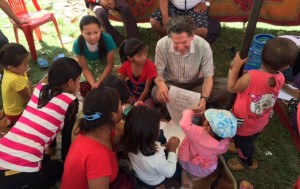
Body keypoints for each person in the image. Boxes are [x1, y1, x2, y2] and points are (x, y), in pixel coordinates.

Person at [0, 57, 82, 189]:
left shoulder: (39, 88)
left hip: (3, 149)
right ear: (70, 82)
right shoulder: (70, 101)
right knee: (58, 167)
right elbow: (67, 135)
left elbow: (48, 121)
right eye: (79, 80)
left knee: (45, 161)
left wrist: (49, 146)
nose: (79, 83)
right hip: (21, 170)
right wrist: (67, 162)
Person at [227, 37, 298, 171]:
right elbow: (277, 84)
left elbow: (232, 87)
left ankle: (245, 161)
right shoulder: (280, 77)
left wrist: (236, 66)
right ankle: (241, 146)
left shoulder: (251, 77)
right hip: (260, 120)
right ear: (285, 66)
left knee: (244, 144)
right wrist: (294, 93)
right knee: (250, 138)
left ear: (261, 54)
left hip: (243, 123)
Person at [151, 16, 227, 115]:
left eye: (184, 42)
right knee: (155, 91)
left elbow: (208, 78)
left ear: (192, 36)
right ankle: (193, 105)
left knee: (225, 86)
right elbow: (158, 74)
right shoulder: (162, 44)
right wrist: (161, 85)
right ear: (170, 38)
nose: (180, 47)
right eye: (176, 43)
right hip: (172, 84)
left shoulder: (203, 46)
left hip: (196, 84)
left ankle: (182, 104)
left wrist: (204, 98)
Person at [61, 86, 123, 189]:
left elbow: (123, 136)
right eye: (121, 104)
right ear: (113, 116)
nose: (123, 108)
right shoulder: (98, 157)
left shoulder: (94, 129)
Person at [119, 106, 180, 189]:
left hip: (141, 176)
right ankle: (165, 185)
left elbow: (153, 148)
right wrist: (173, 150)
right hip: (155, 181)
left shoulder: (131, 141)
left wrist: (166, 146)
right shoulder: (156, 157)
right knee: (179, 166)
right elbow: (169, 172)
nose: (160, 129)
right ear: (150, 134)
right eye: (158, 127)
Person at [179, 109, 237, 189]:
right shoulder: (223, 144)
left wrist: (189, 111)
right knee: (213, 166)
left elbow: (184, 124)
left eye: (207, 119)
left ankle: (185, 172)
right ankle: (196, 178)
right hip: (204, 168)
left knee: (183, 160)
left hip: (187, 159)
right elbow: (225, 147)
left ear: (208, 127)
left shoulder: (198, 132)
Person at [73, 15, 116, 95]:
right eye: (88, 33)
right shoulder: (78, 44)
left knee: (111, 89)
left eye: (96, 32)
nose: (93, 37)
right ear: (82, 32)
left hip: (105, 69)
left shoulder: (107, 39)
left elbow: (110, 64)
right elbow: (85, 68)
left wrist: (99, 82)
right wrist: (93, 84)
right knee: (85, 90)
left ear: (100, 30)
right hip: (90, 70)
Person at [118, 38, 157, 107]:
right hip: (131, 93)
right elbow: (121, 82)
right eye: (140, 55)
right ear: (130, 58)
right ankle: (131, 101)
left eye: (145, 53)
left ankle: (134, 102)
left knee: (147, 107)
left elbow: (147, 89)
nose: (144, 57)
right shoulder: (126, 65)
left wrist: (138, 102)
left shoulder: (150, 66)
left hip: (146, 96)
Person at [0, 43, 31, 125]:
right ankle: (16, 121)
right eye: (25, 65)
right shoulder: (15, 79)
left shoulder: (8, 70)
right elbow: (28, 98)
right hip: (16, 113)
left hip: (10, 110)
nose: (28, 66)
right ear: (11, 67)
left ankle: (11, 119)